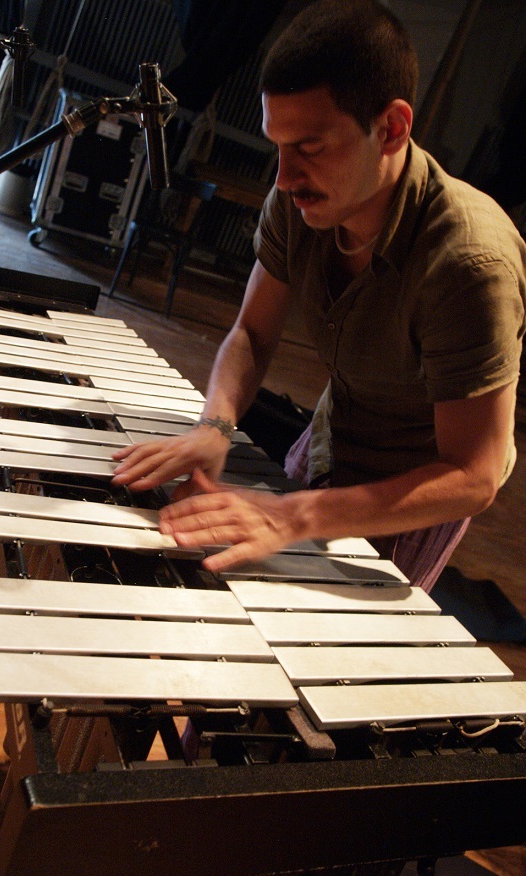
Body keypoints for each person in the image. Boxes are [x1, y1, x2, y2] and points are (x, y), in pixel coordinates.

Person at [111, 0, 525, 591]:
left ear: (392, 128)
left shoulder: (469, 262)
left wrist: (294, 515)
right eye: (277, 144)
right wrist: (215, 426)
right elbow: (252, 333)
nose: (283, 178)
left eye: (310, 146)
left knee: (333, 642)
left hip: (418, 485)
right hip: (335, 432)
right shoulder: (298, 199)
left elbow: (473, 476)